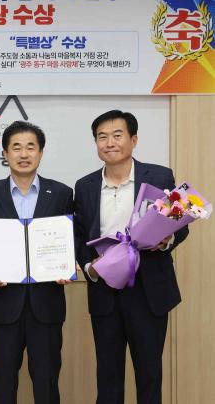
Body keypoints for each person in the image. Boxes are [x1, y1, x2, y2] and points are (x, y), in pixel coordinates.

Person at [74, 110, 189, 404]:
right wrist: (89, 266)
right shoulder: (84, 186)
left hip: (148, 290)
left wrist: (165, 240)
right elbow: (78, 235)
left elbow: (180, 225)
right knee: (108, 377)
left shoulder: (160, 176)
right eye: (102, 137)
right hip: (105, 289)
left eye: (117, 135)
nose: (109, 143)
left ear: (133, 140)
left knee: (149, 375)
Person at [0, 120, 74, 404]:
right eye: (16, 147)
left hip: (47, 305)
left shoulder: (62, 193)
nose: (24, 154)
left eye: (31, 147)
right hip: (3, 306)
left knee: (47, 383)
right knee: (3, 384)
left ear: (41, 152)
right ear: (5, 153)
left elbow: (71, 240)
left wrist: (67, 265)